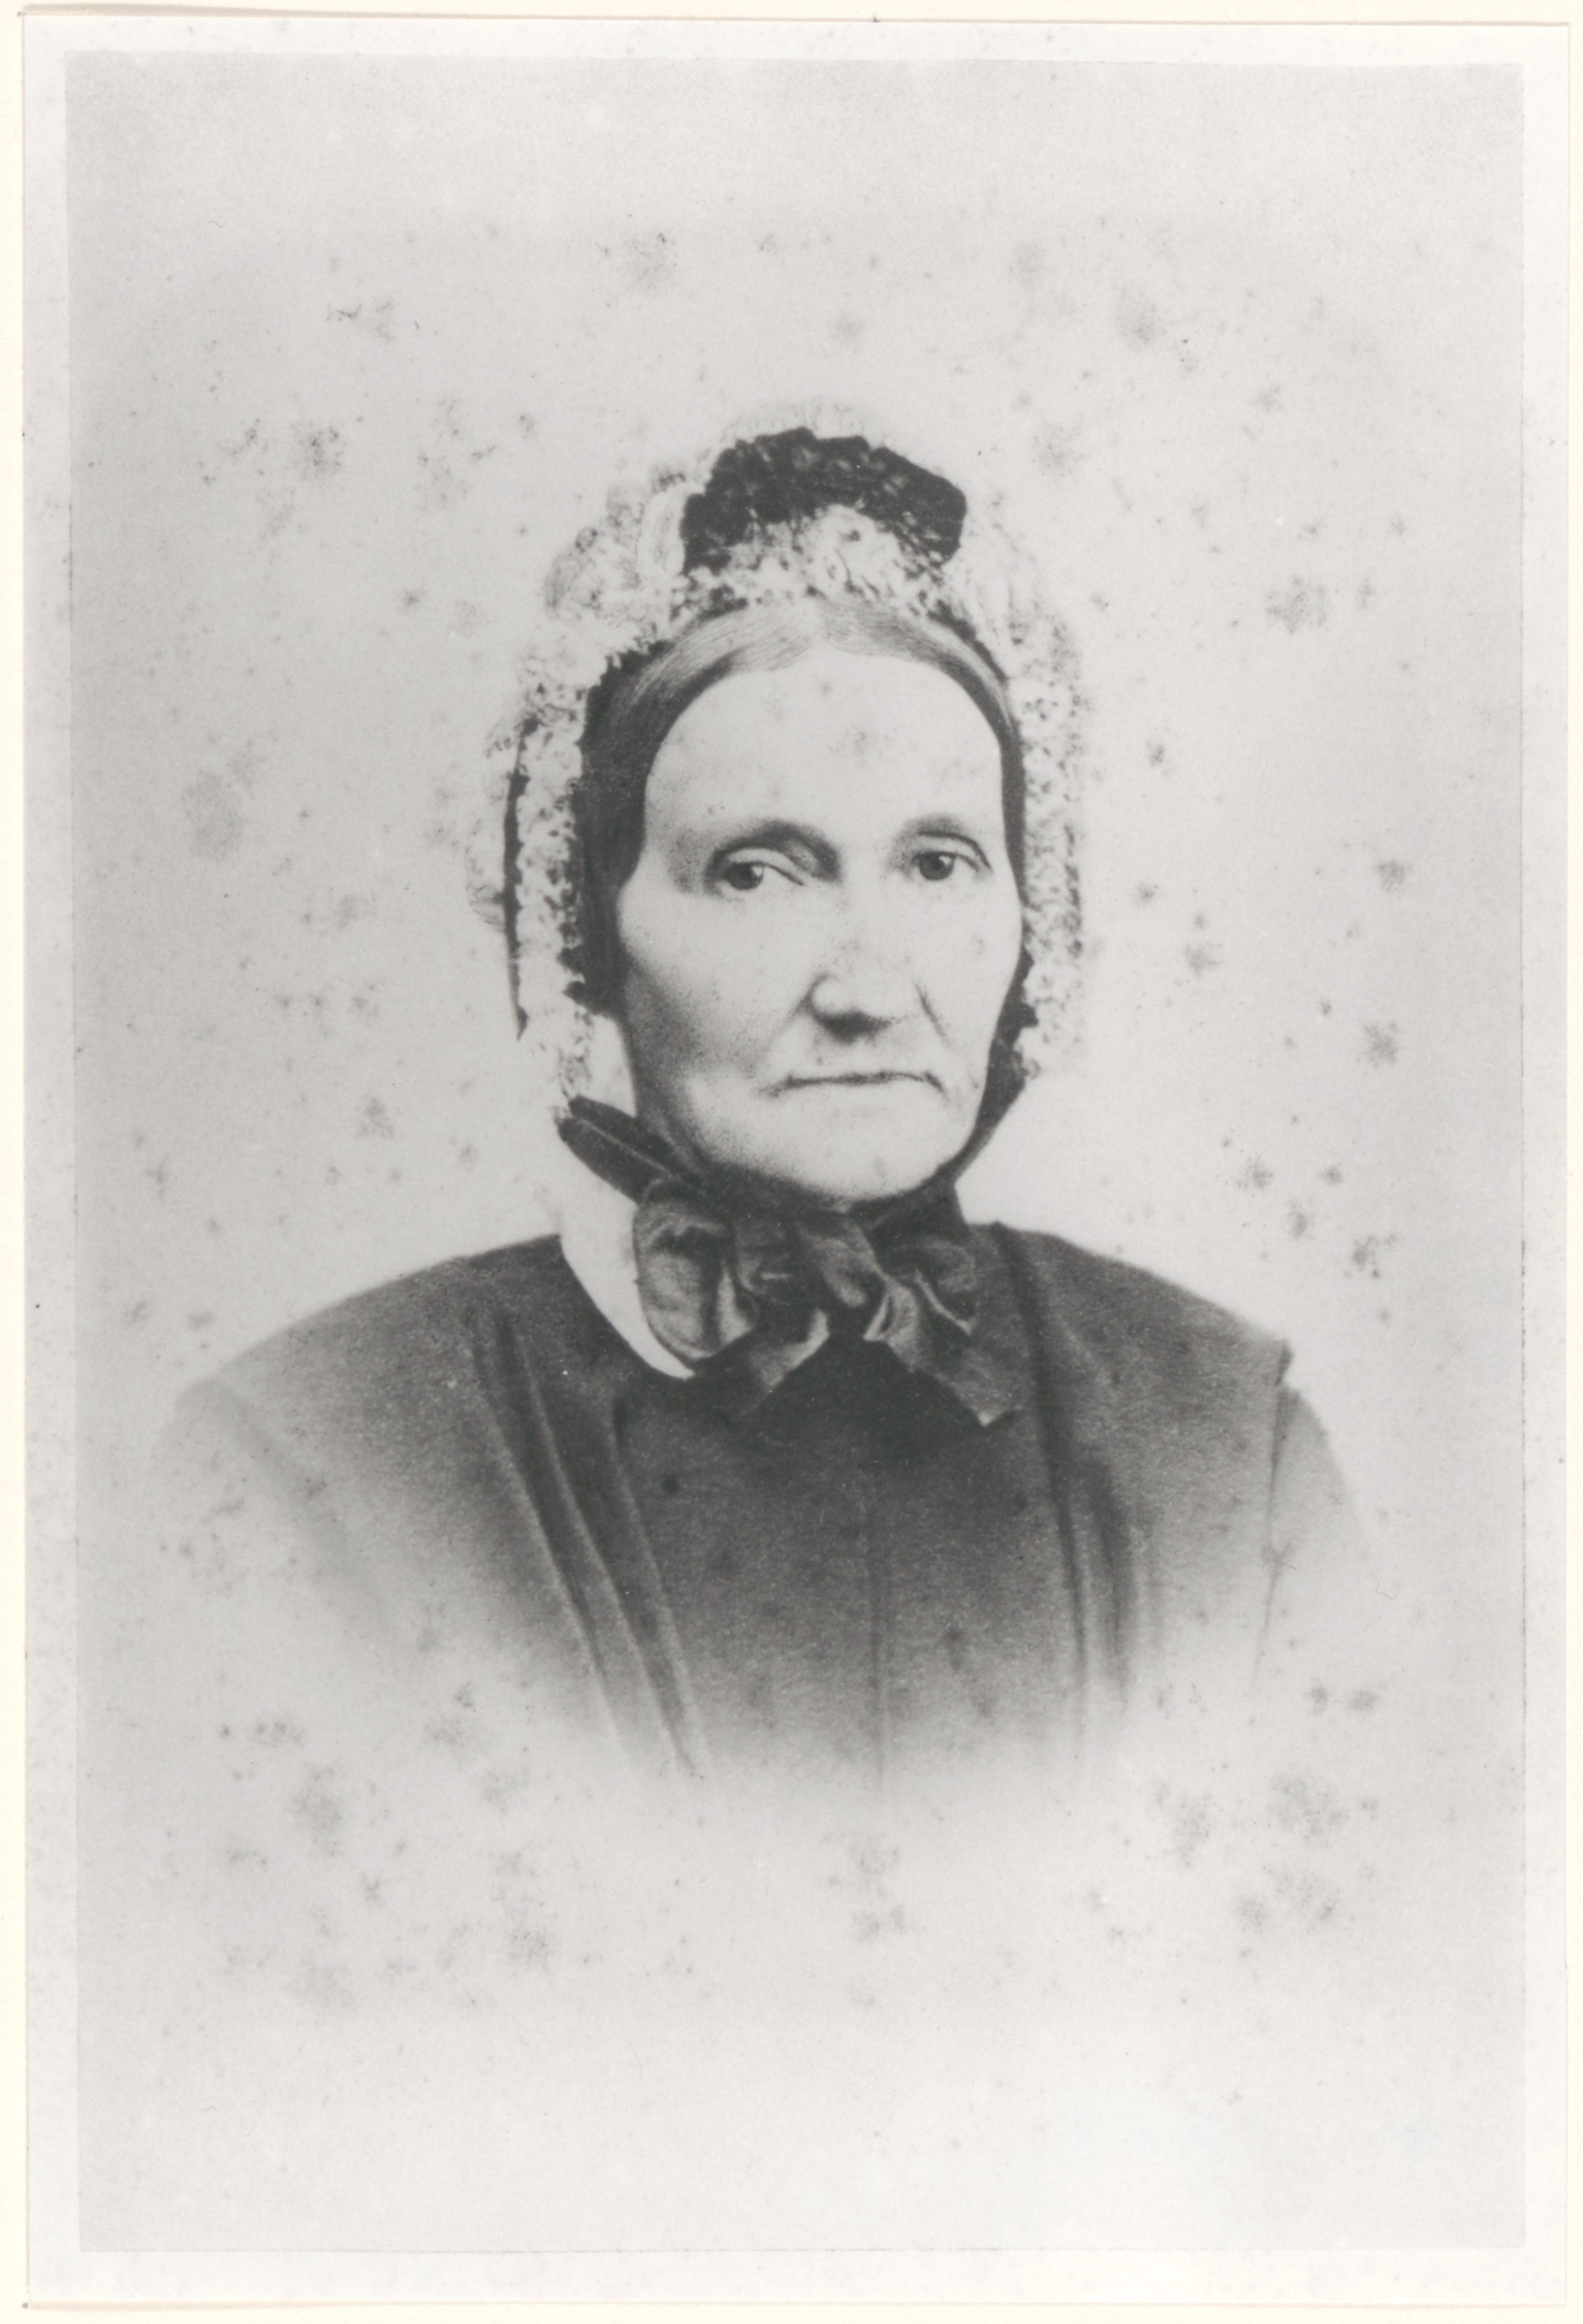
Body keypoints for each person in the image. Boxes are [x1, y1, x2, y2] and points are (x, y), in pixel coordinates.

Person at [144, 426, 1355, 1807]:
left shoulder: (1222, 1445)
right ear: (587, 932)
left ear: (1035, 914)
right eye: (757, 872)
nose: (867, 990)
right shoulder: (312, 1466)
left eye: (939, 862)